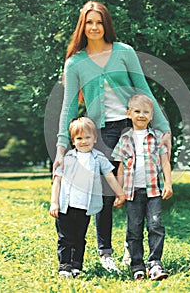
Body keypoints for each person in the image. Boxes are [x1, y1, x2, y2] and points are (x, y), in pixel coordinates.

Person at [53, 0, 172, 273]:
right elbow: (69, 106)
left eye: (99, 22)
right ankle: (105, 251)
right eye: (89, 22)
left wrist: (163, 128)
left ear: (106, 25)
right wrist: (61, 146)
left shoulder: (124, 52)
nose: (94, 27)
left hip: (133, 128)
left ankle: (134, 249)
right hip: (102, 132)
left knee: (137, 190)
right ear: (83, 27)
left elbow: (144, 90)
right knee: (105, 194)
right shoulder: (75, 63)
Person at [50, 117, 125, 277]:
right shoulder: (68, 159)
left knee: (79, 238)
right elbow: (57, 181)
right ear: (73, 140)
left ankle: (77, 265)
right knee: (65, 238)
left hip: (85, 207)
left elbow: (110, 176)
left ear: (95, 139)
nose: (83, 141)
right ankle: (64, 266)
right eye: (79, 138)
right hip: (66, 206)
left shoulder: (98, 158)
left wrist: (120, 193)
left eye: (87, 137)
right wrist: (54, 203)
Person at [112, 94, 173, 281]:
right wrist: (119, 192)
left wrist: (168, 183)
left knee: (155, 225)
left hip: (154, 190)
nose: (141, 115)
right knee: (134, 229)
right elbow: (121, 167)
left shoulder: (157, 137)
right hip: (132, 192)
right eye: (137, 111)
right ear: (129, 113)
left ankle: (155, 264)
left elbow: (165, 161)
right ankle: (136, 265)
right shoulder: (124, 139)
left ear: (152, 115)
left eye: (146, 112)